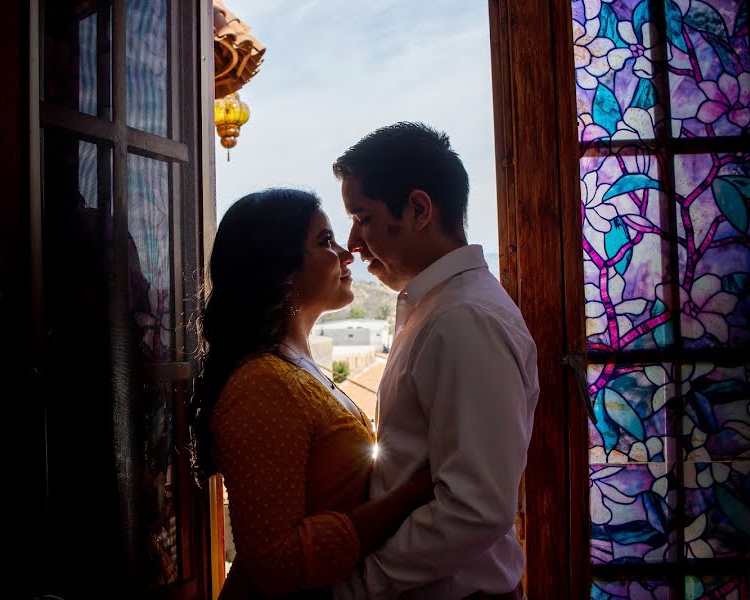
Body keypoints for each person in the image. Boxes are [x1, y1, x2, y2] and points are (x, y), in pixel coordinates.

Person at [189, 188, 433, 599]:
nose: (347, 253)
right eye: (324, 241)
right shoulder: (261, 385)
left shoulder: (295, 367)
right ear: (281, 268)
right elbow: (274, 560)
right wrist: (407, 497)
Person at [331, 123, 539, 600]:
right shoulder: (436, 307)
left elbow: (475, 506)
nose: (353, 243)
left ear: (419, 209)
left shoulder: (464, 319)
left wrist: (362, 585)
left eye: (363, 217)